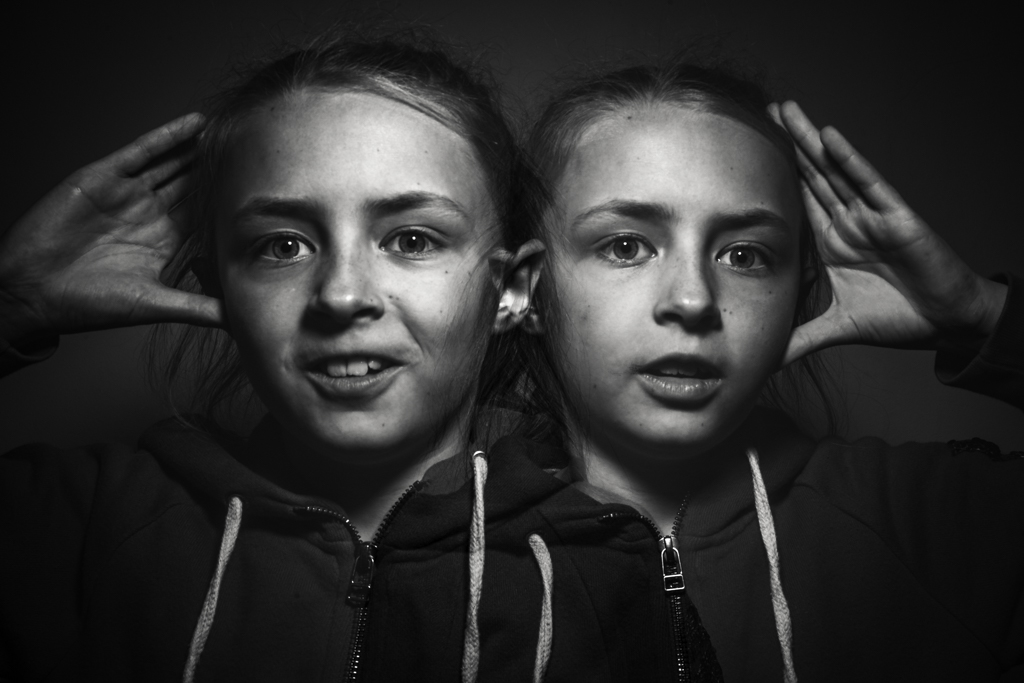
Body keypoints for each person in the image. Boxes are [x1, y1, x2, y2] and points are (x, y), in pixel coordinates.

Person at [0, 30, 544, 682]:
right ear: (218, 287)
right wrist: (12, 305)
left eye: (411, 239)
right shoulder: (83, 522)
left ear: (510, 289)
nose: (342, 295)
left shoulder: (604, 548)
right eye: (283, 246)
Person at [459, 57, 1023, 681]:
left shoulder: (924, 522)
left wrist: (982, 314)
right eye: (626, 246)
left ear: (797, 292)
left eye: (744, 255)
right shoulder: (437, 558)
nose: (693, 300)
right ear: (530, 290)